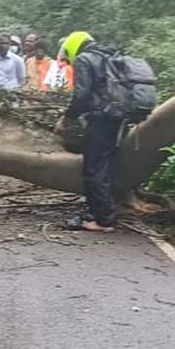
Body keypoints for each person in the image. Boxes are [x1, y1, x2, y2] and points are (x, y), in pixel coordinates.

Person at [54, 32, 123, 233]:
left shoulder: (85, 59)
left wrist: (67, 119)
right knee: (106, 165)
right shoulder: (109, 55)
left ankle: (104, 221)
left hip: (101, 118)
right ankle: (101, 211)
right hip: (118, 117)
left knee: (94, 169)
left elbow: (81, 95)